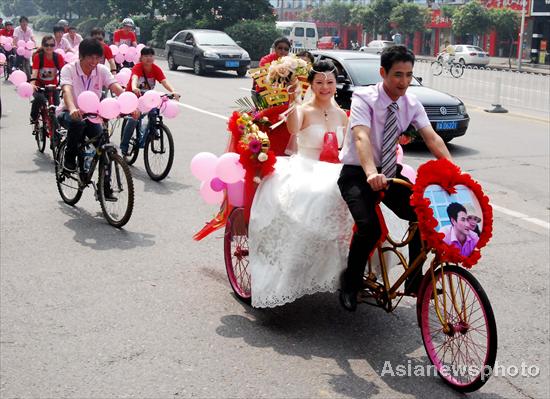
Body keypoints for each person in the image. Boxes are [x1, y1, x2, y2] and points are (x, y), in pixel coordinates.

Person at [337, 45, 452, 311]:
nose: (404, 82)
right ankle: (350, 284)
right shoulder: (364, 98)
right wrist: (370, 173)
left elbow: (432, 137)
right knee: (369, 229)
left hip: (390, 172)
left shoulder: (411, 103)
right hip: (358, 172)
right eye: (397, 75)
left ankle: (413, 281)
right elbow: (361, 137)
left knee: (423, 217)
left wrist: (454, 173)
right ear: (383, 73)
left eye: (409, 75)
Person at [58, 38, 125, 175]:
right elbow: (67, 90)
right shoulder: (69, 69)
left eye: (97, 58)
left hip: (93, 116)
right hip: (69, 113)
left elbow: (116, 87)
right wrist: (72, 109)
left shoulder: (102, 70)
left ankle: (106, 187)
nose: (94, 62)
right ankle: (69, 158)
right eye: (90, 57)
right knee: (78, 124)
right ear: (81, 56)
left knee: (104, 147)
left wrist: (129, 104)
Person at [119, 47, 179, 156]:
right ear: (141, 57)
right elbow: (134, 78)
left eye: (151, 55)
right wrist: (134, 87)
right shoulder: (138, 67)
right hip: (133, 96)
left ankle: (153, 128)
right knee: (134, 118)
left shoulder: (156, 69)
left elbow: (164, 82)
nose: (149, 58)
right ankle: (124, 145)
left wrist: (173, 91)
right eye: (146, 56)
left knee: (154, 110)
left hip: (147, 97)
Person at [29, 35, 65, 135]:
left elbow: (64, 72)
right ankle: (34, 116)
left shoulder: (58, 57)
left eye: (52, 45)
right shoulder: (38, 57)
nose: (49, 47)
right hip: (39, 86)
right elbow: (35, 72)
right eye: (46, 45)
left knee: (57, 109)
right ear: (43, 46)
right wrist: (32, 84)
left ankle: (56, 136)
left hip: (53, 87)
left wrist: (65, 85)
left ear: (55, 45)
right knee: (39, 99)